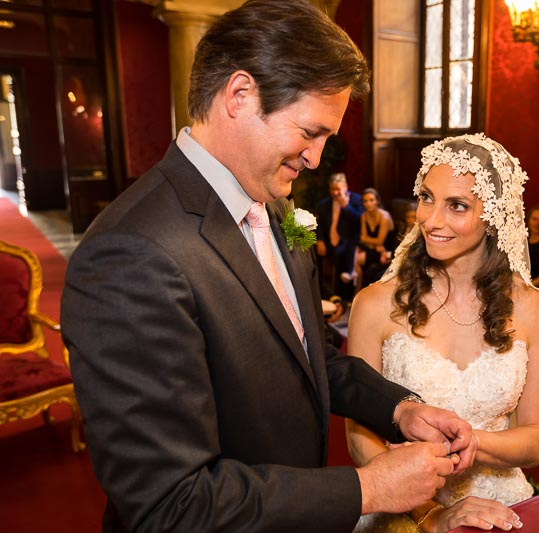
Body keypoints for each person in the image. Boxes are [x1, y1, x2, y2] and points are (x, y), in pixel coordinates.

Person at [60, 2, 478, 532]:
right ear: (239, 95)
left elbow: (309, 355)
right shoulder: (129, 256)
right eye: (311, 132)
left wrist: (399, 410)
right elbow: (171, 504)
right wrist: (370, 487)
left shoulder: (272, 206)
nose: (315, 158)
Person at [345, 133, 539, 533]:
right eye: (426, 198)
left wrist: (473, 442)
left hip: (501, 509)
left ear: (494, 215)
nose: (431, 219)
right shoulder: (375, 304)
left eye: (457, 206)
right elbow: (359, 437)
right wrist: (427, 511)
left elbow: (534, 442)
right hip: (401, 510)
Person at [316, 172, 363, 298]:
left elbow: (361, 221)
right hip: (327, 241)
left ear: (345, 187)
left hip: (349, 242)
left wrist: (346, 207)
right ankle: (321, 294)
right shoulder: (323, 204)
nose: (335, 193)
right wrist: (319, 240)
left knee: (340, 253)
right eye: (332, 189)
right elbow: (319, 224)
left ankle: (341, 296)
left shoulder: (357, 200)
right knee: (311, 254)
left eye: (338, 189)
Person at [356, 187, 395, 288]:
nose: (368, 203)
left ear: (377, 201)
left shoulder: (384, 217)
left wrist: (368, 241)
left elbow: (379, 240)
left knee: (358, 258)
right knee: (354, 252)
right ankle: (356, 289)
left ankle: (358, 288)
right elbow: (362, 238)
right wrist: (373, 244)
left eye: (371, 200)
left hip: (387, 251)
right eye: (365, 201)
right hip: (374, 249)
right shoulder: (364, 216)